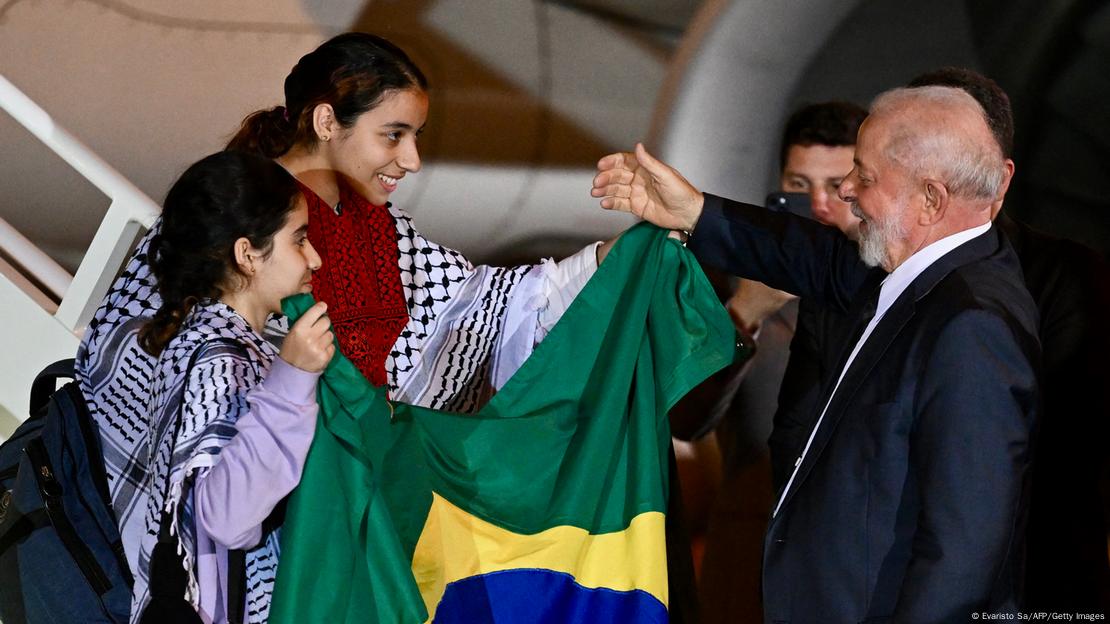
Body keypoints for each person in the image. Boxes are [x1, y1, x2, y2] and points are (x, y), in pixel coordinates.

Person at [593, 86, 1040, 621]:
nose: (846, 192)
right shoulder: (920, 274)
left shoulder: (971, 326)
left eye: (865, 177)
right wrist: (694, 211)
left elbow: (964, 549)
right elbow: (807, 253)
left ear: (931, 200)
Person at [907, 66, 1110, 611]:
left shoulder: (1069, 274)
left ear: (999, 174)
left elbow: (1069, 442)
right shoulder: (872, 273)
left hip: (1038, 577)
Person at [129, 151, 333, 622]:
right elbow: (227, 517)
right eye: (299, 240)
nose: (315, 259)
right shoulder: (213, 354)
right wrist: (294, 380)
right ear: (247, 254)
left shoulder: (243, 345)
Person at [695, 101, 866, 621]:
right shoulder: (731, 277)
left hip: (856, 567)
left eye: (837, 185)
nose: (816, 204)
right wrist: (744, 313)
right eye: (798, 183)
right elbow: (686, 418)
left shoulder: (896, 286)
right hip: (751, 559)